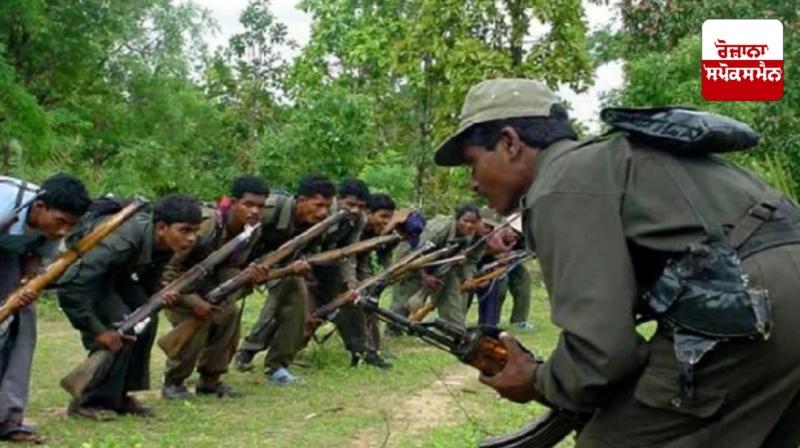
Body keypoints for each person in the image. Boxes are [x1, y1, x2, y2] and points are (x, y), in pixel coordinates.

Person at [433, 78, 800, 447]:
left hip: (754, 298)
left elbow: (603, 353)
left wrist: (537, 380)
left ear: (509, 143)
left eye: (472, 163)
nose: (473, 183)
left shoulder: (561, 183)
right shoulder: (611, 162)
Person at [58, 194, 201, 420]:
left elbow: (149, 279)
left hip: (115, 275)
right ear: (162, 227)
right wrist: (98, 331)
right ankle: (88, 400)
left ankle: (120, 395)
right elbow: (71, 284)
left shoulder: (166, 242)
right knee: (122, 323)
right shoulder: (120, 241)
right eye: (185, 230)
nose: (192, 238)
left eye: (195, 231)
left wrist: (159, 295)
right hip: (88, 280)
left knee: (146, 318)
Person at [161, 176, 271, 400]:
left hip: (210, 284)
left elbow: (231, 265)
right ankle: (174, 382)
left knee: (228, 313)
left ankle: (211, 380)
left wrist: (246, 277)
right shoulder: (207, 225)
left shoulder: (252, 230)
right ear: (233, 202)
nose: (255, 211)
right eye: (248, 204)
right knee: (196, 321)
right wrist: (192, 300)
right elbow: (168, 269)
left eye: (260, 206)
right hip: (177, 285)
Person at [0, 174, 90, 443]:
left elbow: (37, 253)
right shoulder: (4, 202)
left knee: (21, 325)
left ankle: (8, 418)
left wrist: (26, 284)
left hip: (10, 255)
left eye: (70, 225)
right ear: (39, 207)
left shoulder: (50, 226)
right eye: (60, 222)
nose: (63, 232)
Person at [234, 175, 334, 385]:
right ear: (301, 200)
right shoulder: (268, 209)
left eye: (327, 206)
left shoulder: (322, 222)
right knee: (219, 310)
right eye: (318, 205)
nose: (323, 212)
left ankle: (277, 366)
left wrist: (301, 264)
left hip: (279, 267)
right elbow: (237, 235)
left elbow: (312, 250)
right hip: (237, 263)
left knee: (297, 298)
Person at [388, 204, 481, 327]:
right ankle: (393, 330)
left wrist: (466, 272)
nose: (469, 225)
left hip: (442, 265)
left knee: (451, 297)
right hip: (411, 259)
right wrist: (425, 276)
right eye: (465, 221)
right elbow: (416, 252)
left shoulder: (470, 234)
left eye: (473, 222)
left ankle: (455, 330)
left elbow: (466, 259)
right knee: (405, 297)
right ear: (457, 219)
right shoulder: (439, 230)